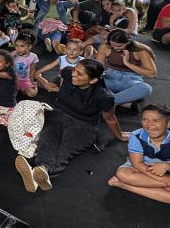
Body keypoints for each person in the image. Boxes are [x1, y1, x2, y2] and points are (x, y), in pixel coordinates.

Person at [16, 60, 126, 192]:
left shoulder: (104, 96)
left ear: (93, 80)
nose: (74, 74)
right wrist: (55, 84)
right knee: (47, 140)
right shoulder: (67, 73)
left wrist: (119, 136)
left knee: (64, 149)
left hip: (84, 125)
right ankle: (41, 171)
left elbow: (110, 119)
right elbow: (61, 80)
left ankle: (41, 172)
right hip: (57, 116)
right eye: (75, 70)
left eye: (80, 74)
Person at [108, 103, 170, 205]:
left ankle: (124, 186)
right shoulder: (135, 136)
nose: (149, 124)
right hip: (139, 168)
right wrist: (168, 180)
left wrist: (168, 166)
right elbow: (137, 164)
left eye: (156, 120)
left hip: (161, 173)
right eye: (145, 119)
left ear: (168, 123)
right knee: (123, 174)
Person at [95, 29, 156, 109]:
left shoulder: (140, 50)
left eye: (119, 46)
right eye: (112, 46)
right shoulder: (106, 46)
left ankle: (108, 102)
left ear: (128, 42)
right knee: (90, 82)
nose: (115, 48)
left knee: (146, 88)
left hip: (131, 79)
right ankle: (122, 103)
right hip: (110, 77)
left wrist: (127, 63)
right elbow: (98, 67)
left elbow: (151, 73)